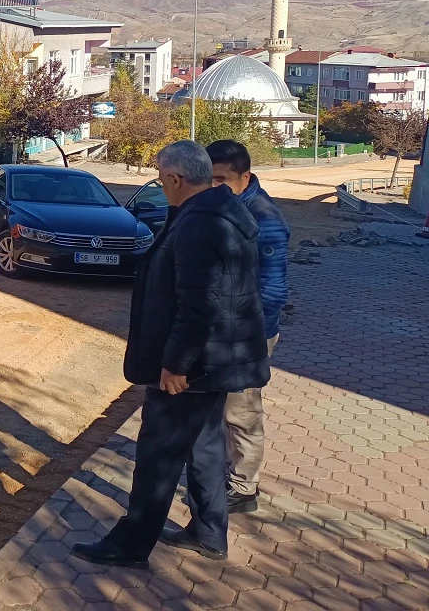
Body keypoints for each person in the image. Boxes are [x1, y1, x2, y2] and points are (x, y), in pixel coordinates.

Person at [73, 140, 269, 568]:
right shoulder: (219, 209)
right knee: (204, 445)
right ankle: (209, 532)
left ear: (176, 179)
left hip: (195, 365)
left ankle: (131, 542)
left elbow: (200, 303)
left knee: (158, 453)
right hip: (217, 360)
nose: (162, 188)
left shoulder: (202, 223)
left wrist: (176, 364)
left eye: (163, 180)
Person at [206, 139, 290, 514]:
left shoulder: (264, 220)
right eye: (209, 179)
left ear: (245, 177)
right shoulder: (227, 206)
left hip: (249, 332)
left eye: (222, 179)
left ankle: (243, 487)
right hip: (226, 328)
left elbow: (273, 288)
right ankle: (228, 471)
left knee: (241, 409)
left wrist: (257, 335)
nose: (214, 186)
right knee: (224, 406)